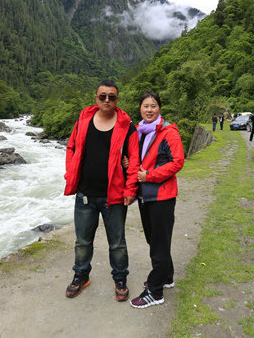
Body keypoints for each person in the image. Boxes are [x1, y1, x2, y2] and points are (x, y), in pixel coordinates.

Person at [63, 80, 140, 301]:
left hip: (114, 196)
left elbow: (134, 159)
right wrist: (71, 174)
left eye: (112, 97)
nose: (107, 100)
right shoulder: (84, 120)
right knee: (82, 241)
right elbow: (71, 147)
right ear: (95, 98)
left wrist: (130, 189)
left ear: (117, 100)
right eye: (103, 96)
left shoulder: (126, 125)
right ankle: (81, 276)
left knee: (117, 243)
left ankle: (120, 279)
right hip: (85, 194)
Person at [128, 92, 185, 308]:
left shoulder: (168, 131)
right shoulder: (140, 131)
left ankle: (155, 290)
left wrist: (149, 176)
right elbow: (140, 159)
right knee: (155, 240)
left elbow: (177, 162)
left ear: (159, 108)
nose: (149, 110)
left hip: (162, 196)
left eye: (153, 106)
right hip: (146, 196)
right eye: (145, 106)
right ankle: (166, 277)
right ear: (140, 109)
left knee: (158, 244)